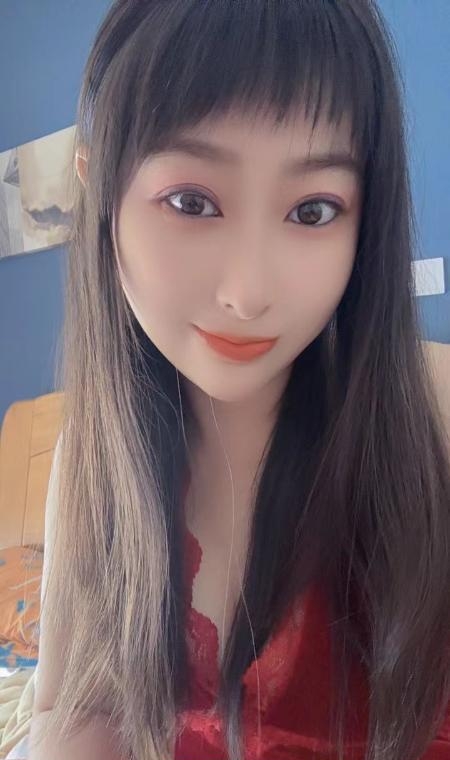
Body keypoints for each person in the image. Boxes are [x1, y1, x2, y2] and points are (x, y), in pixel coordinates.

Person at [28, 1, 450, 759]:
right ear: (100, 194)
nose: (249, 293)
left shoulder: (436, 414)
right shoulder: (92, 463)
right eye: (192, 202)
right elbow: (69, 710)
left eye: (312, 210)